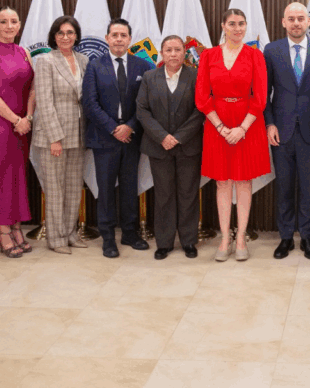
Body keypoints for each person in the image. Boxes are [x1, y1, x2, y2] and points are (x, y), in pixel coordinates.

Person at [196, 9, 270, 262]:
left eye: (241, 24)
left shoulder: (255, 55)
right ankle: (225, 238)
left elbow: (260, 97)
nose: (237, 28)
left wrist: (242, 128)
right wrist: (220, 127)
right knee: (222, 182)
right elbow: (201, 97)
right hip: (217, 124)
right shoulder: (208, 55)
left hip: (247, 124)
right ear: (223, 26)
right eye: (232, 24)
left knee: (244, 181)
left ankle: (240, 238)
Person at [263, 2, 310, 261]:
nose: (296, 23)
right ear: (283, 22)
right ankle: (285, 238)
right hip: (280, 130)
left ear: (308, 21)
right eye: (291, 18)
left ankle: (306, 237)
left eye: (300, 18)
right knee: (284, 187)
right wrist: (269, 123)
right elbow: (264, 93)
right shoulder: (271, 50)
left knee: (308, 187)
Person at [82, 18, 154, 258]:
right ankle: (108, 238)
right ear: (107, 38)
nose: (119, 39)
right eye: (115, 35)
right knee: (105, 189)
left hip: (132, 138)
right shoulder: (94, 66)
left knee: (129, 187)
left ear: (130, 39)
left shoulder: (143, 66)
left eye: (123, 35)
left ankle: (130, 233)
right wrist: (114, 128)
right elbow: (90, 104)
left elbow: (146, 104)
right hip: (105, 138)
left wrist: (130, 127)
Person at [136, 35, 205, 260]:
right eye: (169, 50)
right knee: (163, 195)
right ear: (162, 53)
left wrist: (179, 137)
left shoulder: (196, 76)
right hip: (159, 147)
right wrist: (162, 137)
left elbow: (200, 110)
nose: (173, 54)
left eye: (177, 50)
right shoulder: (150, 77)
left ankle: (188, 241)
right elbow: (142, 110)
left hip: (188, 146)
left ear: (185, 52)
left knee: (188, 194)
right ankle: (164, 243)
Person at [0, 6, 35, 258]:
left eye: (13, 21)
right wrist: (16, 120)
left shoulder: (24, 52)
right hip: (0, 125)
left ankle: (17, 228)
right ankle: (3, 233)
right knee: (0, 178)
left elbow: (33, 89)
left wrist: (28, 118)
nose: (9, 26)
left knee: (18, 178)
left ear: (19, 25)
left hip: (23, 126)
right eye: (3, 21)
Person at [32, 15, 89, 255]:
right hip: (53, 136)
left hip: (78, 134)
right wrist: (54, 138)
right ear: (54, 37)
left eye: (70, 32)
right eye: (60, 33)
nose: (65, 37)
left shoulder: (84, 60)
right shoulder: (45, 61)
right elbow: (44, 102)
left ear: (76, 36)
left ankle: (70, 233)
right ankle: (55, 238)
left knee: (74, 188)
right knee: (55, 189)